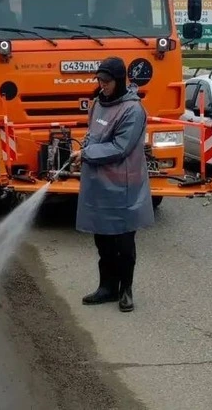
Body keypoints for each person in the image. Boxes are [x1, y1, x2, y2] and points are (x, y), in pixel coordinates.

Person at [69, 56, 155, 313]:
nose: (102, 85)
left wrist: (86, 154)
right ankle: (107, 287)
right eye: (99, 81)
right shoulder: (97, 104)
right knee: (103, 241)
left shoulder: (133, 110)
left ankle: (125, 290)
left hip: (123, 188)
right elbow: (93, 134)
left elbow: (120, 147)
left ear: (119, 81)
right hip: (98, 185)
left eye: (106, 82)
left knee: (123, 244)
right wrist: (84, 147)